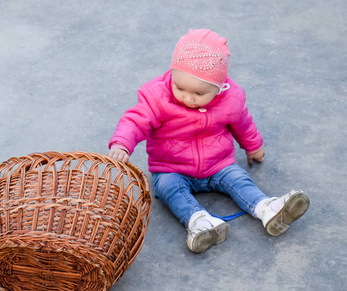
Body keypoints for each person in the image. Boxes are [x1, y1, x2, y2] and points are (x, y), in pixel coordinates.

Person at [108, 29, 310, 254]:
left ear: (219, 87)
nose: (187, 97)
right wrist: (122, 144)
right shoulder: (157, 97)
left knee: (239, 178)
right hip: (171, 167)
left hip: (218, 164)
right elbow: (135, 120)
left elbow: (243, 123)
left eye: (199, 93)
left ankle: (267, 209)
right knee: (168, 188)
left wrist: (254, 146)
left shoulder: (230, 98)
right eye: (180, 87)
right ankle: (199, 222)